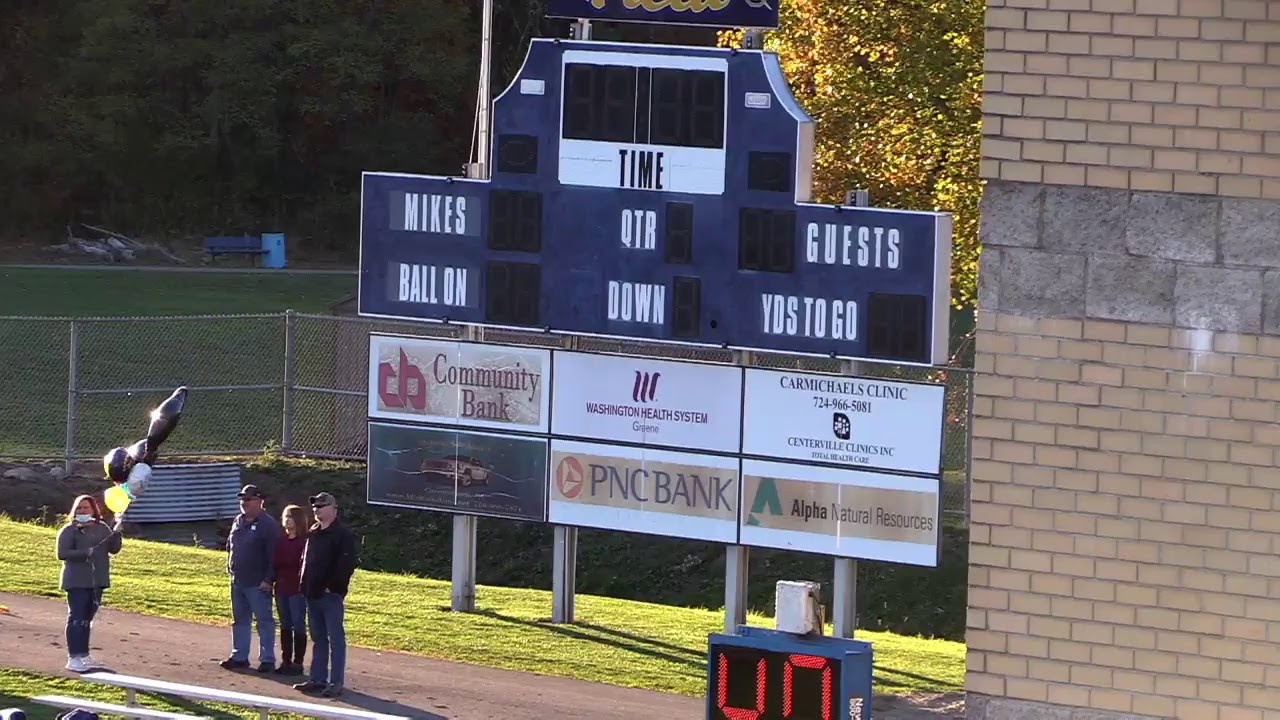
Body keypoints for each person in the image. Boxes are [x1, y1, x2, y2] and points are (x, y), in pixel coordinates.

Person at [292, 492, 358, 697]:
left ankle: (335, 682)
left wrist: (332, 587)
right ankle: (317, 678)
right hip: (311, 593)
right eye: (315, 507)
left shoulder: (343, 535)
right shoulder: (314, 532)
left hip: (330, 596)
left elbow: (346, 564)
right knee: (318, 638)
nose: (317, 509)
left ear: (334, 509)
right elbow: (306, 559)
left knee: (335, 639)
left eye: (321, 506)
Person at [55, 494, 123, 673]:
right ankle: (73, 657)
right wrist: (86, 552)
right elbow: (62, 553)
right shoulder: (69, 530)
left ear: (94, 510)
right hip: (76, 580)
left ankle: (84, 655)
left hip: (96, 581)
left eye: (86, 508)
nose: (83, 511)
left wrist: (117, 533)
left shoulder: (101, 528)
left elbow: (113, 549)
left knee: (87, 619)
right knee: (76, 618)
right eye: (79, 508)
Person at [220, 484, 281, 672]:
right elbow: (231, 547)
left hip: (258, 582)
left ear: (259, 501)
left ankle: (267, 659)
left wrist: (269, 579)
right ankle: (239, 656)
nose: (243, 503)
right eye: (242, 499)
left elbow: (274, 555)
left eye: (248, 499)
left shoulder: (267, 524)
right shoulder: (238, 521)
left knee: (264, 621)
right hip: (237, 580)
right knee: (240, 620)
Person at [272, 503, 309, 675]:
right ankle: (285, 660)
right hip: (281, 587)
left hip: (297, 589)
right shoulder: (280, 541)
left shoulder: (304, 542)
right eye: (285, 517)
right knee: (285, 625)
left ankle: (298, 663)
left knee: (298, 624)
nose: (287, 521)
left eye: (291, 517)